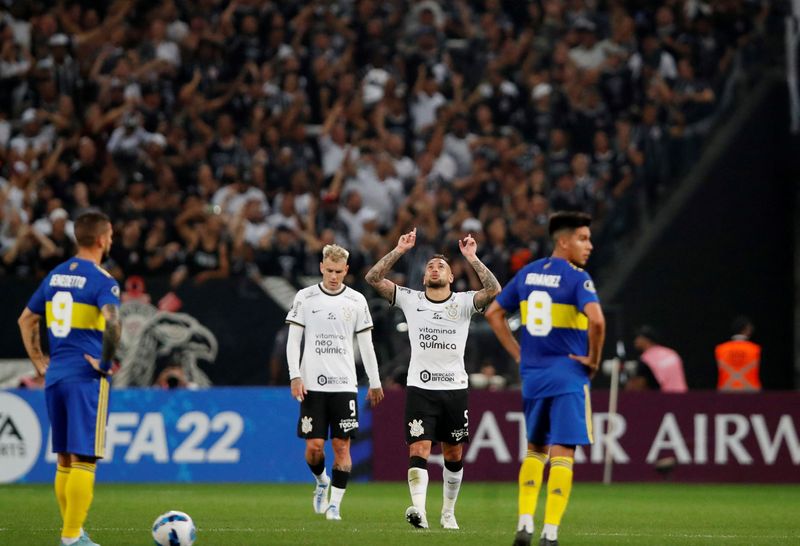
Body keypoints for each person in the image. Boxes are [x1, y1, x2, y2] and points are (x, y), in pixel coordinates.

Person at [365, 228, 501, 530]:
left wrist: (472, 258)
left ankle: (448, 512)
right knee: (419, 449)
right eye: (430, 266)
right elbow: (373, 279)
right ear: (424, 279)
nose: (435, 268)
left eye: (441, 266)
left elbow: (493, 290)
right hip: (420, 388)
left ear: (451, 278)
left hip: (454, 388)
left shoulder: (464, 302)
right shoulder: (412, 300)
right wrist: (399, 250)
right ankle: (419, 509)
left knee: (453, 453)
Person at [485, 212, 606, 546]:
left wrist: (518, 353)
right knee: (563, 453)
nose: (590, 246)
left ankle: (524, 522)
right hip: (568, 375)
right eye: (583, 238)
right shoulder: (577, 278)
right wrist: (593, 361)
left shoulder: (527, 273)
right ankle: (550, 532)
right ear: (563, 241)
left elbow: (494, 313)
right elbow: (597, 322)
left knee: (534, 449)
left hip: (533, 376)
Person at [17, 211, 121, 546]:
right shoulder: (103, 280)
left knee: (64, 458)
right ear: (103, 238)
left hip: (55, 375)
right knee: (85, 458)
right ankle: (72, 537)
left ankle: (72, 531)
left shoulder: (56, 275)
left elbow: (25, 320)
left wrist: (38, 362)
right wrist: (105, 363)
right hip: (85, 376)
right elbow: (114, 323)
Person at [285, 244, 384, 521]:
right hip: (312, 386)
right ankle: (321, 482)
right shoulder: (305, 297)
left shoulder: (356, 301)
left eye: (339, 272)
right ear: (321, 267)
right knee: (315, 446)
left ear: (346, 271)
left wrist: (375, 381)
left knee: (342, 446)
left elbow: (367, 346)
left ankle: (335, 506)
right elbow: (294, 341)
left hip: (344, 385)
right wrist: (295, 375)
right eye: (329, 270)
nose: (333, 276)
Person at [627, 325, 687, 393]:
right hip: (683, 397)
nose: (635, 341)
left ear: (647, 339)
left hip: (664, 399)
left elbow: (639, 385)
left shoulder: (646, 359)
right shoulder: (672, 353)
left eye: (638, 337)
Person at [715, 316, 761, 392]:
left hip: (725, 390)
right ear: (746, 329)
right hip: (751, 391)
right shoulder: (755, 349)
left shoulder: (721, 349)